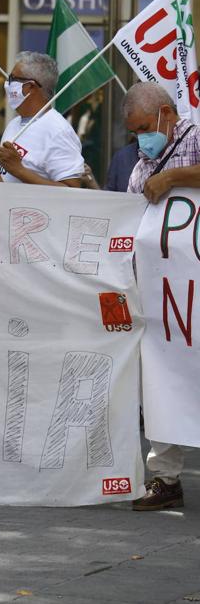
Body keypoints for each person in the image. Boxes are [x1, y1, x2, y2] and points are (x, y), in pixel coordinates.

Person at [123, 81, 200, 511]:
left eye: (143, 128)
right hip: (165, 297)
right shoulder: (141, 165)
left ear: (166, 115)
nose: (141, 138)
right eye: (133, 132)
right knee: (164, 381)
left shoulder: (196, 137)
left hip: (195, 289)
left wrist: (172, 177)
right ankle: (166, 476)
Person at [0, 52, 84, 187]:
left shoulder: (58, 130)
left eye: (12, 78)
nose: (7, 84)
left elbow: (73, 189)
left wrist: (19, 170)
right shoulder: (14, 123)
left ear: (30, 86)